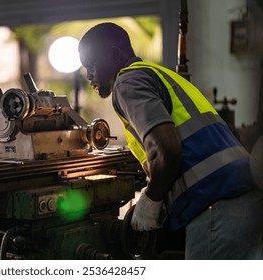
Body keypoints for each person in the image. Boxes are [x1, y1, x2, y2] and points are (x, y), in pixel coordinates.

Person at [78, 22, 263, 260]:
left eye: (91, 64)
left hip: (215, 203)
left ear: (114, 55)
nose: (88, 75)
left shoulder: (127, 83)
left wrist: (150, 200)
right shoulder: (162, 75)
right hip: (248, 194)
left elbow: (166, 150)